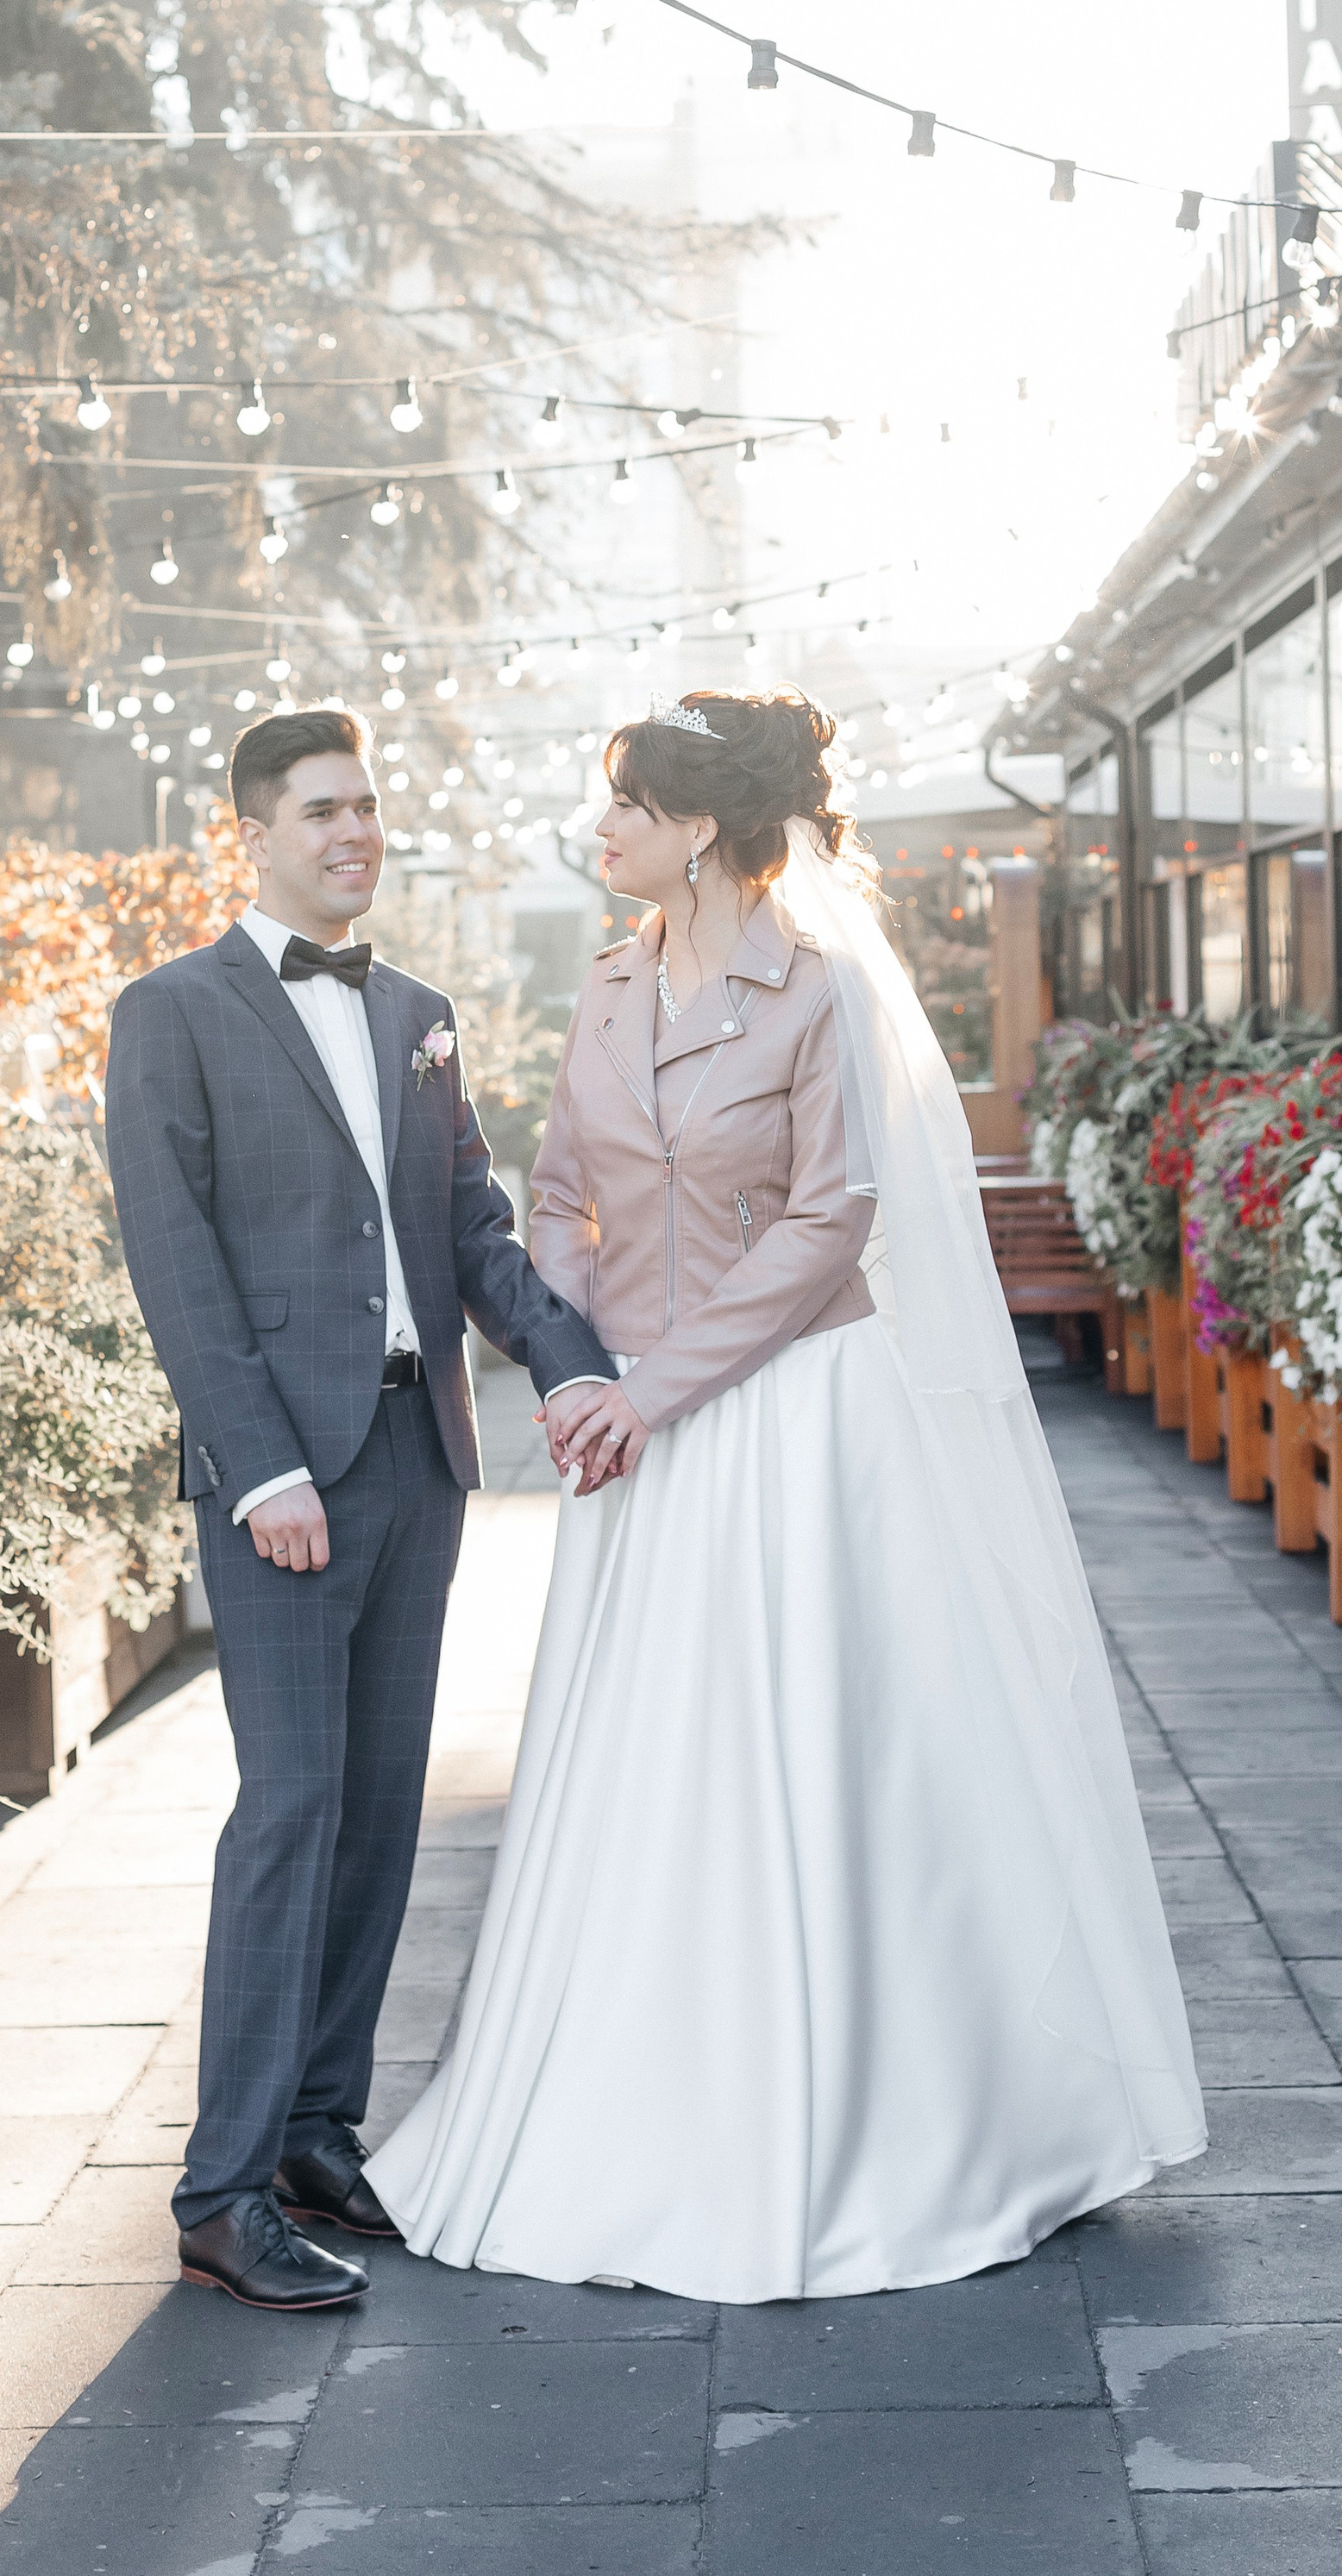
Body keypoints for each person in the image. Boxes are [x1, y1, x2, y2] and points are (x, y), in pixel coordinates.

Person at [370, 689, 1206, 2302]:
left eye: (623, 806)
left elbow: (831, 1223)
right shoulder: (605, 986)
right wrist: (567, 1366)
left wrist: (650, 1386)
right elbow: (555, 1193)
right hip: (627, 1424)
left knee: (815, 1754)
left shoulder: (815, 991)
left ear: (696, 833)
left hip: (792, 1419)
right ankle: (633, 2089)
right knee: (647, 1759)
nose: (598, 830)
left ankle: (889, 2115)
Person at [103, 706, 616, 2311]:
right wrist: (259, 1467)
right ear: (249, 830)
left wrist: (586, 1367)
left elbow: (471, 1229)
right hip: (285, 1480)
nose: (355, 835)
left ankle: (323, 2131)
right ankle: (223, 2187)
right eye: (323, 811)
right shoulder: (170, 1011)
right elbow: (174, 1260)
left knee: (382, 1814)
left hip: (420, 1460)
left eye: (369, 808)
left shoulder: (417, 1014)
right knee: (289, 1815)